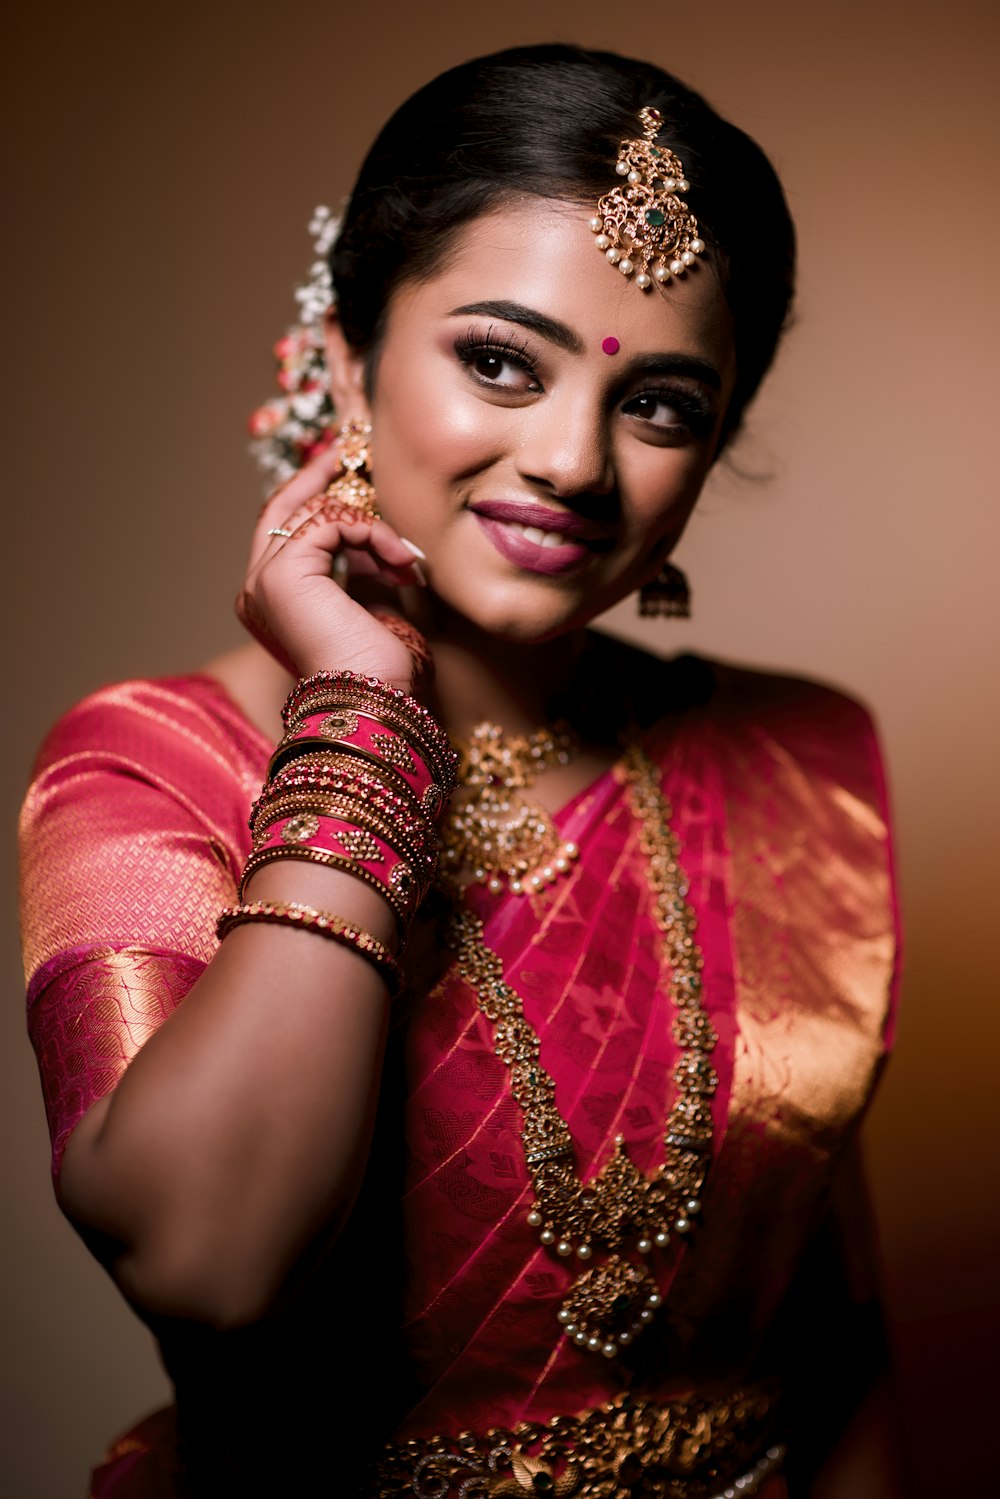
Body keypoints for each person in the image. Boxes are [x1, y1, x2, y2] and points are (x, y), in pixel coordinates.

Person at [18, 44, 901, 1499]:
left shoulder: (801, 769)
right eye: (499, 360)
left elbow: (838, 1346)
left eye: (662, 403)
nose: (572, 459)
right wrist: (362, 708)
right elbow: (208, 1261)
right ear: (347, 357)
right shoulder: (150, 764)